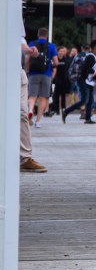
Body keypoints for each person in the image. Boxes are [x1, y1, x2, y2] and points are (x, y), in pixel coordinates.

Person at [19, 24, 46, 172]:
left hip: (17, 71)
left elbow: (20, 41)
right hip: (18, 73)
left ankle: (25, 158)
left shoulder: (12, 9)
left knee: (22, 114)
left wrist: (29, 51)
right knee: (22, 114)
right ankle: (24, 157)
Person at [62, 39, 96, 124]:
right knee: (84, 100)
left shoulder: (93, 56)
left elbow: (94, 69)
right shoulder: (90, 56)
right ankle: (66, 112)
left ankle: (88, 118)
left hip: (89, 81)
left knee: (90, 100)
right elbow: (85, 69)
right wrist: (95, 73)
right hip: (84, 80)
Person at [26, 27, 58, 128]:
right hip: (46, 73)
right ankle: (38, 121)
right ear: (47, 35)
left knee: (32, 96)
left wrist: (27, 70)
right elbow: (56, 62)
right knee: (44, 97)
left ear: (38, 35)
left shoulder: (31, 44)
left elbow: (27, 59)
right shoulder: (51, 46)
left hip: (33, 73)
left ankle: (30, 110)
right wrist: (51, 65)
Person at [48, 45, 70, 116]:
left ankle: (63, 108)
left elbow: (67, 70)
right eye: (60, 51)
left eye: (63, 51)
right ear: (57, 52)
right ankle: (56, 109)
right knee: (56, 96)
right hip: (56, 80)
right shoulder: (55, 59)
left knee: (63, 95)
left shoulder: (66, 60)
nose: (62, 52)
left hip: (64, 80)